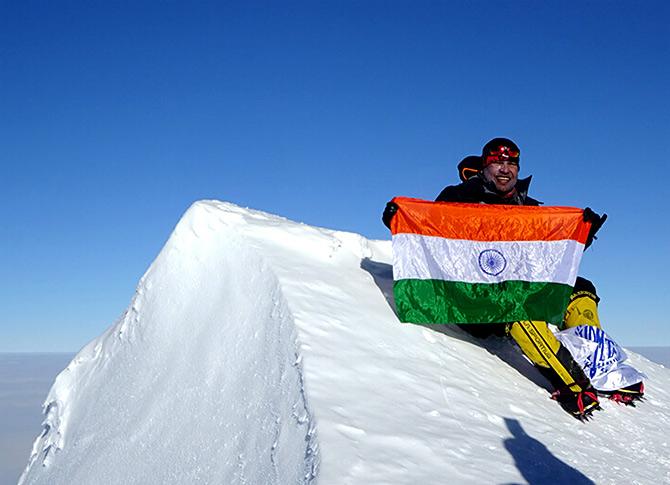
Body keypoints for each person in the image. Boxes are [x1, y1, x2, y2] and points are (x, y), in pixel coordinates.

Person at [383, 137, 643, 419]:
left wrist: (581, 235)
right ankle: (573, 385)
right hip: (476, 298)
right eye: (497, 162)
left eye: (511, 163)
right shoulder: (457, 198)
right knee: (516, 308)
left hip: (514, 288)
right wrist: (397, 219)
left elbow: (549, 257)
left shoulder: (528, 207)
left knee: (580, 288)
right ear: (484, 166)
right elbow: (429, 232)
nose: (504, 169)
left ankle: (604, 369)